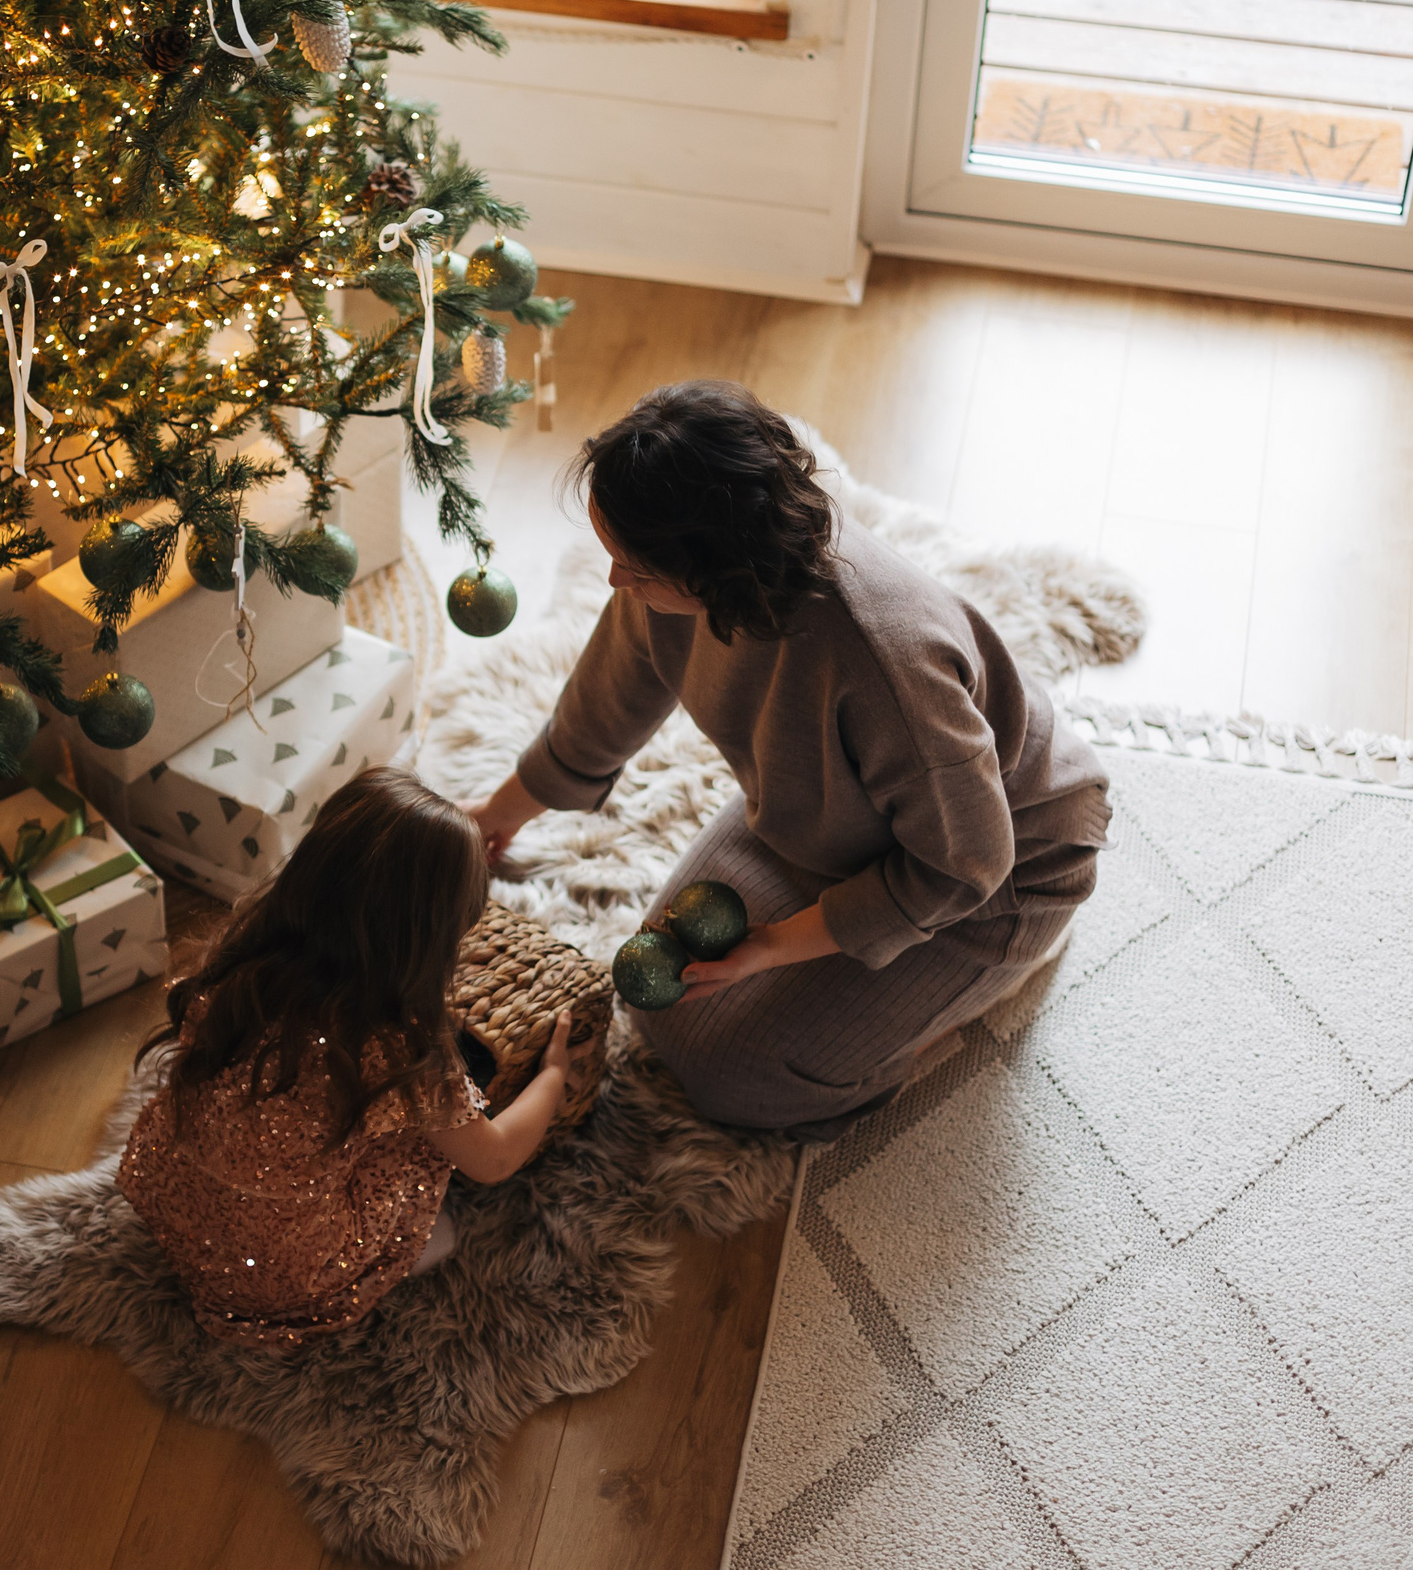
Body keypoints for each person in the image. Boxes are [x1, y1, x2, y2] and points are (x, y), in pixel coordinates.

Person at [466, 380, 1112, 1139]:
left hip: (998, 872)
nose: (615, 581)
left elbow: (968, 858)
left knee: (739, 1078)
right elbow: (604, 703)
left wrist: (773, 946)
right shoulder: (679, 580)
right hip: (835, 820)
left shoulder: (882, 662)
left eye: (633, 567)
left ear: (710, 567)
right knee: (657, 998)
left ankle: (992, 974)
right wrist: (495, 815)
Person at [117, 767, 583, 1349]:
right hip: (290, 1279)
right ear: (433, 941)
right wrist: (554, 1075)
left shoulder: (242, 954)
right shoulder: (399, 1054)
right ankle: (371, 1263)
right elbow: (493, 1161)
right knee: (428, 1166)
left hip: (175, 1204)